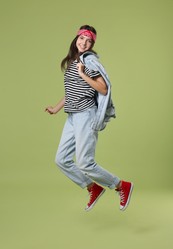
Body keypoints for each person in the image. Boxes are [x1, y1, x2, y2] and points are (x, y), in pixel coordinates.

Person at [45, 25, 133, 211]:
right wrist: (55, 108)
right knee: (61, 159)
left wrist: (83, 74)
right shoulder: (73, 60)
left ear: (92, 43)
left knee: (85, 162)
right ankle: (92, 188)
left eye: (88, 40)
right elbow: (71, 92)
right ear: (76, 38)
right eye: (81, 38)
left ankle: (121, 185)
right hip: (72, 116)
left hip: (86, 115)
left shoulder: (89, 60)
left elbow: (103, 88)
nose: (84, 43)